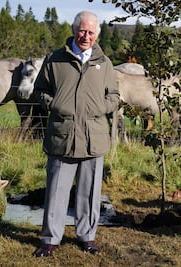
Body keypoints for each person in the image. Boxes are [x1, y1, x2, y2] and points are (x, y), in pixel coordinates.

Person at [33, 10, 120, 257]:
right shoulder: (55, 60)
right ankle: (50, 239)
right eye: (82, 30)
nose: (86, 36)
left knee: (90, 191)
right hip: (63, 135)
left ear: (97, 35)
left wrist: (101, 108)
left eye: (91, 32)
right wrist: (55, 105)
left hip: (94, 137)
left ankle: (87, 237)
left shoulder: (104, 63)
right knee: (56, 189)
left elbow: (114, 95)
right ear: (73, 30)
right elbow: (40, 90)